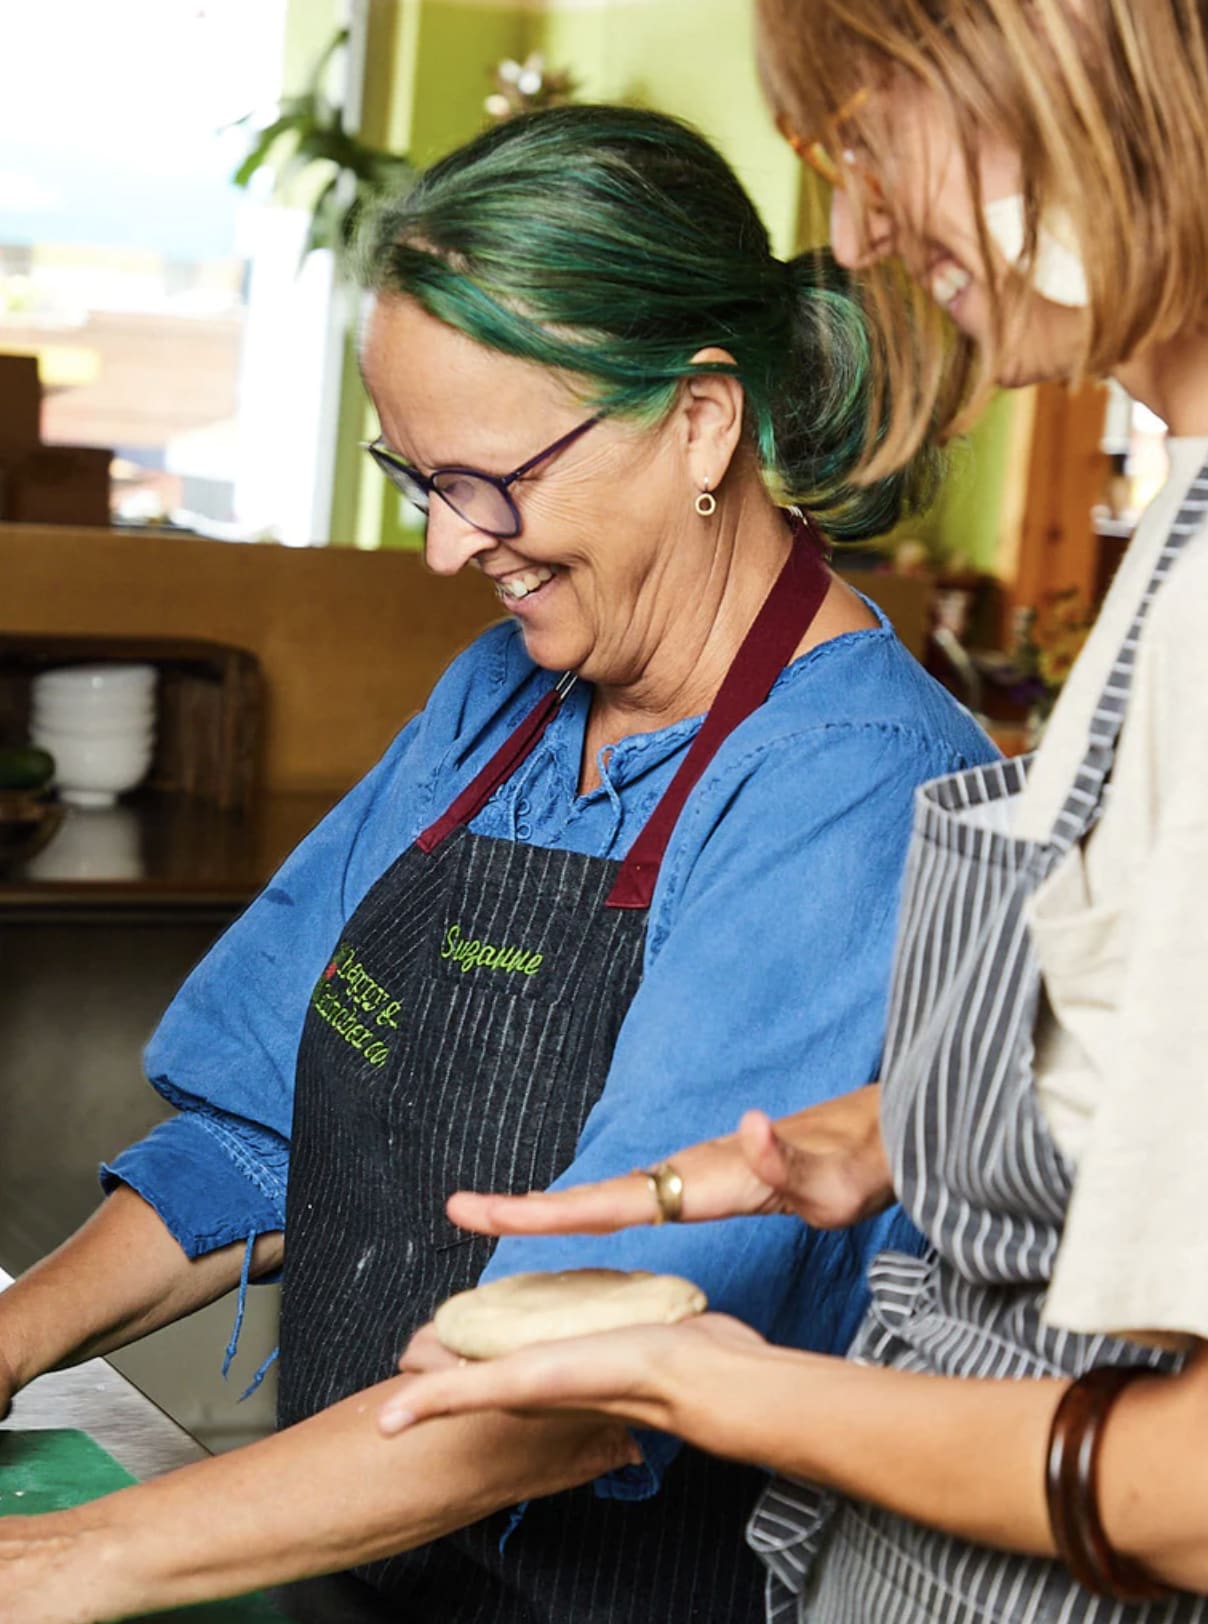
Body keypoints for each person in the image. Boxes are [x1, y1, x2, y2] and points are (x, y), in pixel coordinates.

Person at [0, 105, 992, 1620]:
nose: (447, 551)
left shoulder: (853, 791)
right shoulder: (498, 699)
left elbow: (588, 1377)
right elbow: (263, 1132)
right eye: (417, 476)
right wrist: (9, 1339)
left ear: (701, 422)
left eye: (487, 480)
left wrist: (92, 1553)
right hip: (366, 1553)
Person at [381, 6, 1208, 1622]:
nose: (855, 231)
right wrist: (907, 1128)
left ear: (1075, 61)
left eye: (874, 135)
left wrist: (721, 1391)